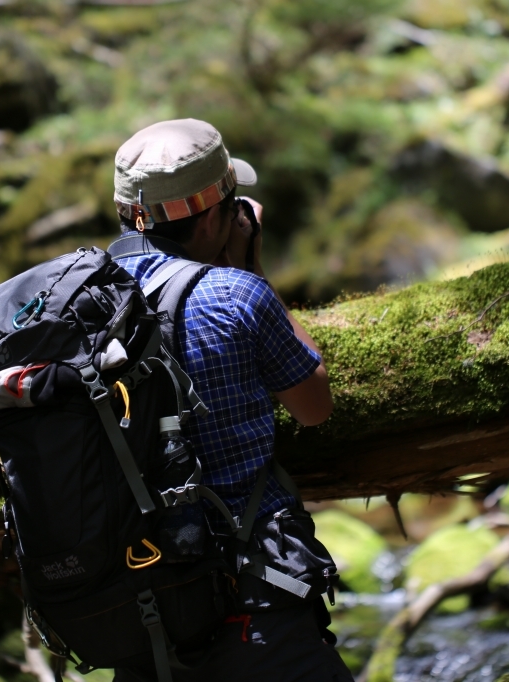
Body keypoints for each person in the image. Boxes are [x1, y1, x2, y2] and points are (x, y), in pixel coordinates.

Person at [107, 118, 353, 682]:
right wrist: (251, 269)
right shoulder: (235, 294)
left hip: (137, 615)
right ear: (218, 213)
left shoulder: (81, 300)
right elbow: (314, 405)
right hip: (253, 610)